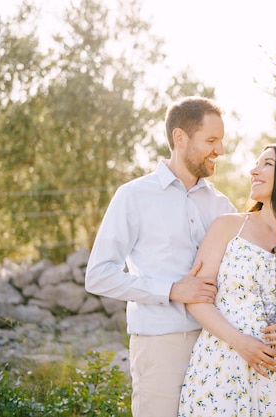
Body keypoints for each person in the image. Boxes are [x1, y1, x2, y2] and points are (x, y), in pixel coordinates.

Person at [84, 96, 237, 417]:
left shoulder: (222, 205)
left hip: (218, 345)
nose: (220, 151)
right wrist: (169, 290)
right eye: (211, 140)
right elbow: (98, 275)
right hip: (160, 344)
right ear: (180, 138)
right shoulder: (133, 196)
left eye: (221, 141)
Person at [178, 143, 276, 416]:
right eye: (256, 163)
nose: (254, 171)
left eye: (267, 164)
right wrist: (241, 342)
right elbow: (198, 301)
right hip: (223, 366)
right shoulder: (228, 226)